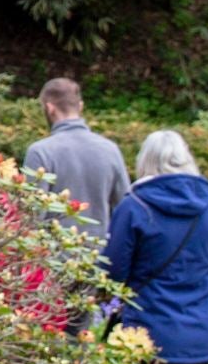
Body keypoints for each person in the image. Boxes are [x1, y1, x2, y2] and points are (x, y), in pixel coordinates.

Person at [104, 130, 208, 364]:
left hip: (147, 331)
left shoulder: (134, 206)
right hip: (200, 332)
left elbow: (113, 272)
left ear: (145, 161)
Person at [24, 78, 130, 244]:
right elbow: (125, 209)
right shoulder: (110, 149)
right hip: (99, 257)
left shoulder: (40, 152)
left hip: (52, 260)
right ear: (80, 106)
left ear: (49, 108)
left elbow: (32, 217)